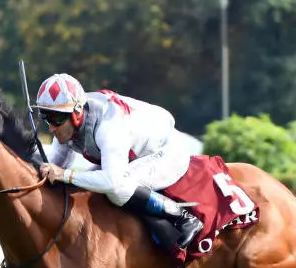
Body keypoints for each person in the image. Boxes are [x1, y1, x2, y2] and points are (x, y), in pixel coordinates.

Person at [33, 73, 204, 250]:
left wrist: (64, 174)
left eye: (56, 119)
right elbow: (52, 169)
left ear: (77, 113)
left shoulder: (108, 127)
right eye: (47, 117)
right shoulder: (66, 122)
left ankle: (184, 218)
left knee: (118, 190)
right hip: (134, 157)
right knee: (81, 185)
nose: (51, 128)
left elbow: (111, 182)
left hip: (166, 153)